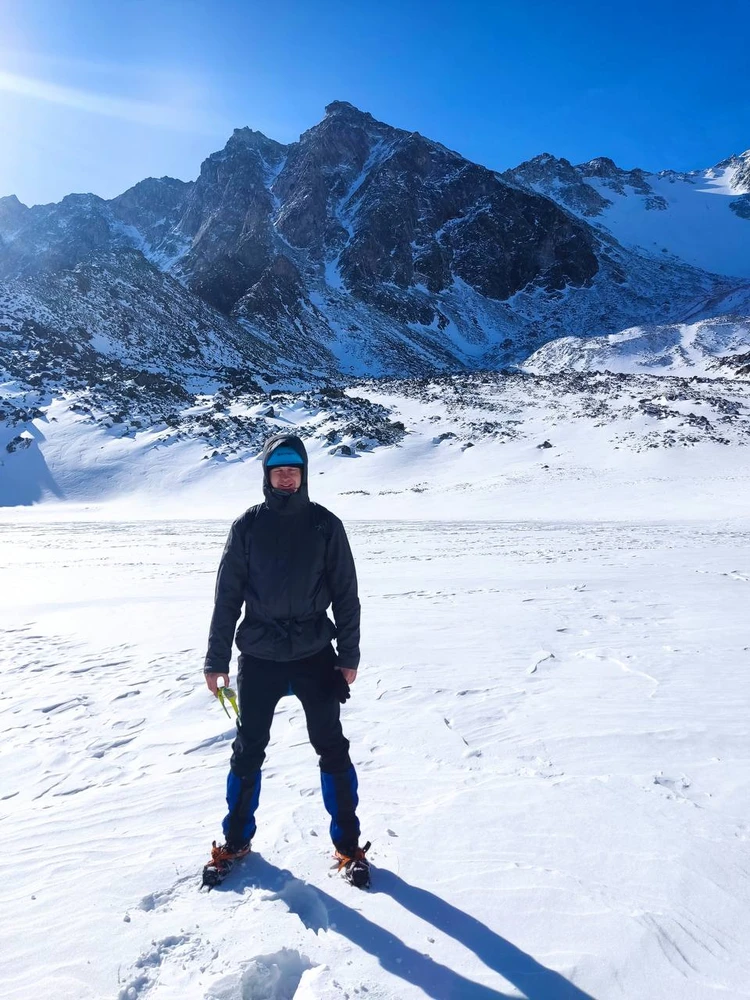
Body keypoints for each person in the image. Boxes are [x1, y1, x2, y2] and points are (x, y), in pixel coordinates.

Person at [202, 432, 369, 887]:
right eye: (279, 471)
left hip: (315, 654)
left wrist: (348, 654)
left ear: (305, 475)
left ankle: (348, 845)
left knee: (332, 747)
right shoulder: (248, 526)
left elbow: (346, 595)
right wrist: (216, 659)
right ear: (267, 476)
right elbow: (227, 596)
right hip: (259, 655)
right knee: (247, 751)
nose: (287, 478)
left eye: (294, 471)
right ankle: (235, 841)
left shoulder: (325, 525)